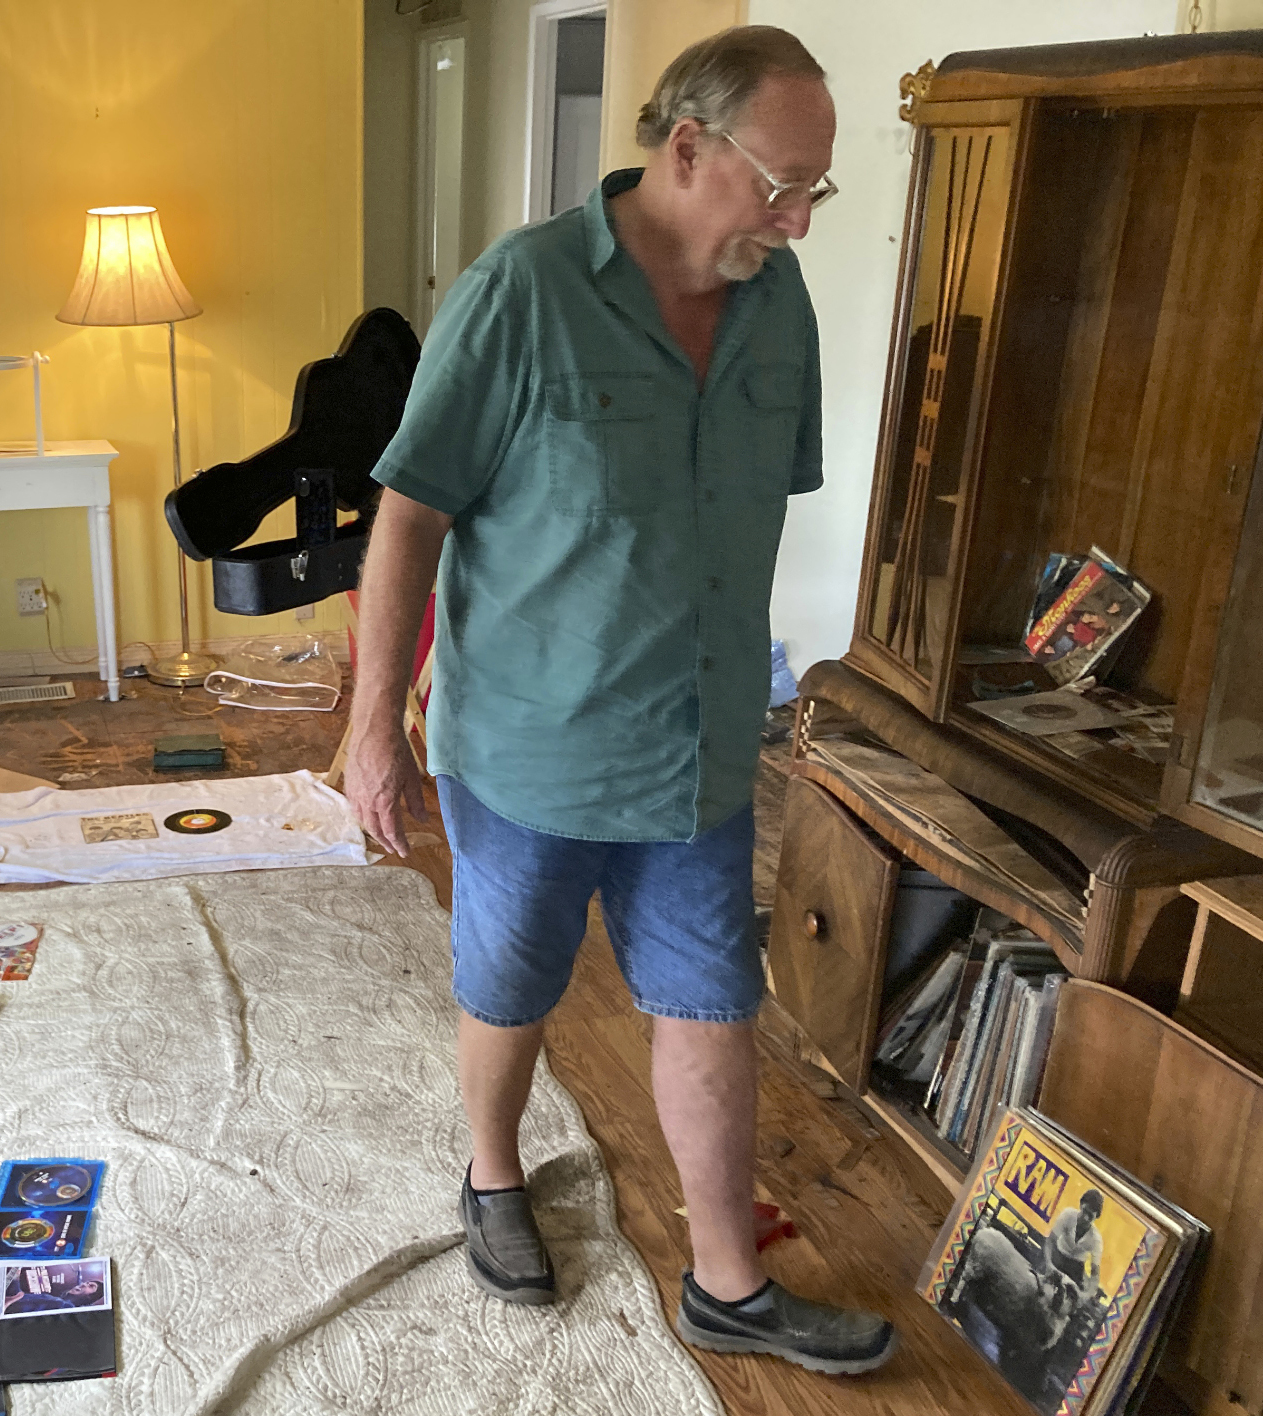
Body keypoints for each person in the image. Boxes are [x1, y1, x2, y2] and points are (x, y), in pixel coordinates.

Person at [344, 25, 897, 1374]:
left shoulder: (779, 306)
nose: (800, 222)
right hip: (529, 744)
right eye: (782, 185)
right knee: (513, 984)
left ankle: (727, 1283)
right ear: (688, 145)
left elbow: (750, 515)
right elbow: (410, 513)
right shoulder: (521, 291)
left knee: (711, 1000)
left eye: (819, 193)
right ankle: (491, 1176)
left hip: (701, 749)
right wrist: (371, 725)